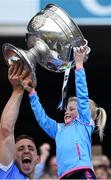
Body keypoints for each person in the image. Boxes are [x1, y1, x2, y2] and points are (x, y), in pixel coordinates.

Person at [21, 44, 107, 179]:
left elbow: (82, 95)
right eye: (66, 109)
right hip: (63, 176)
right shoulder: (58, 129)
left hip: (82, 173)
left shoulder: (83, 122)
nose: (66, 112)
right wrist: (32, 93)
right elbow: (42, 118)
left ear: (82, 112)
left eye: (72, 109)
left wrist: (79, 65)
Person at [0, 62, 40, 179]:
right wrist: (18, 89)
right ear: (13, 156)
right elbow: (6, 130)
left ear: (37, 158)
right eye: (20, 149)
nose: (26, 151)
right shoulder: (8, 173)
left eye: (30, 148)